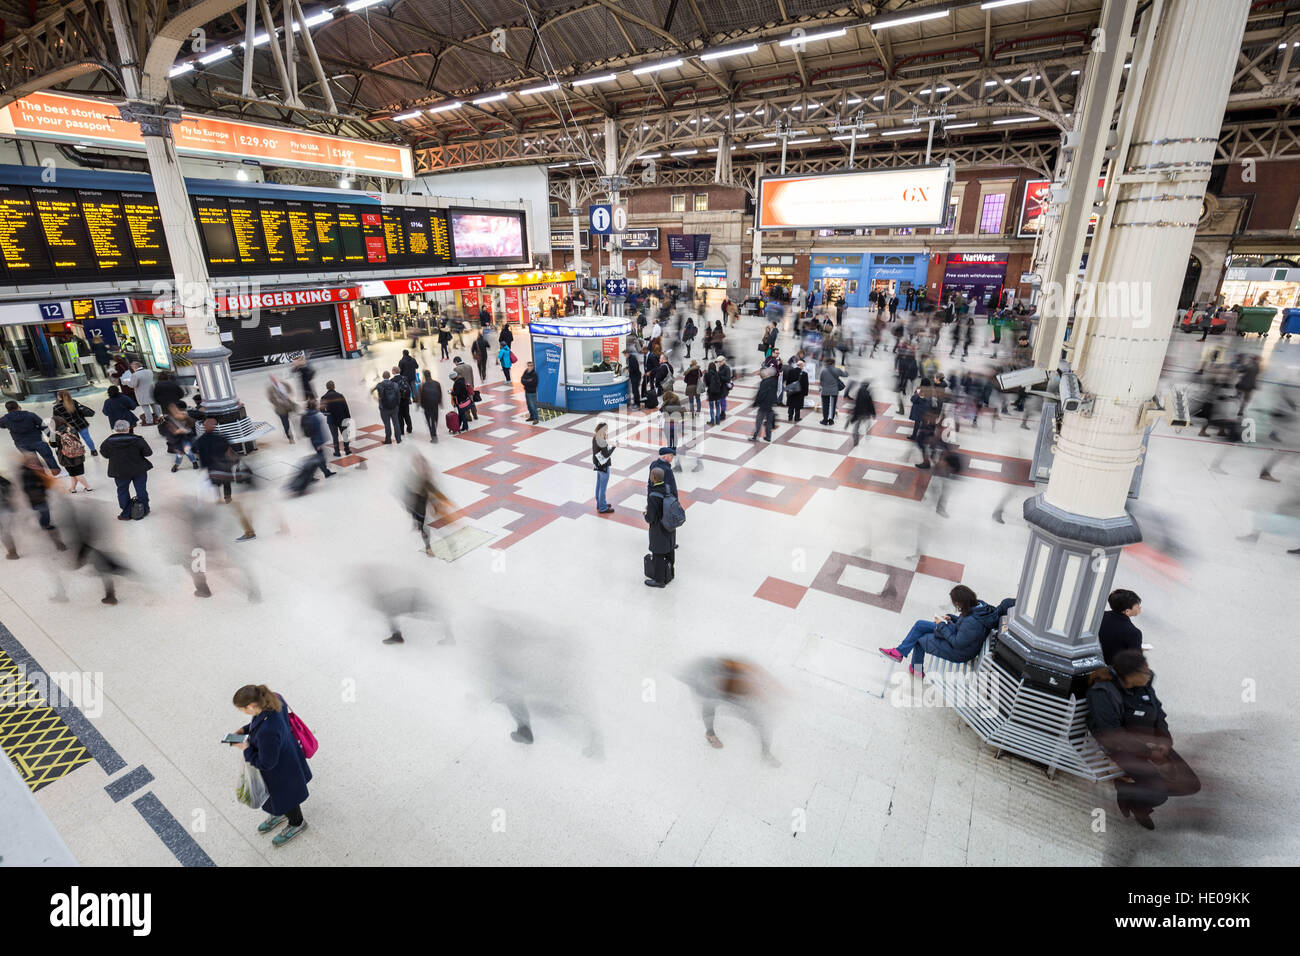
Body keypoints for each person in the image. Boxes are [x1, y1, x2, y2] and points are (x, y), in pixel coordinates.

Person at [1086, 650, 1200, 830]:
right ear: (1130, 675)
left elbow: (1159, 714)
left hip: (1152, 744)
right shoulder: (1102, 692)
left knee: (1190, 784)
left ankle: (1132, 796)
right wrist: (1148, 752)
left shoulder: (1145, 685)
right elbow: (1113, 734)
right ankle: (1138, 803)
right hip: (1120, 748)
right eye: (1144, 672)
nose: (1149, 674)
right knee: (1158, 793)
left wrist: (1164, 743)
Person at [231, 684, 312, 847]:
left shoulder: (268, 731)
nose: (243, 712)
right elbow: (260, 723)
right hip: (288, 755)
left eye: (243, 709)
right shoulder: (273, 699)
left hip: (280, 771)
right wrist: (245, 729)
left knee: (287, 798)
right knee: (280, 799)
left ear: (252, 705)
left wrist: (246, 748)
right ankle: (281, 813)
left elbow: (265, 763)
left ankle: (297, 824)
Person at [880, 585, 1014, 677]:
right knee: (920, 625)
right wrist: (953, 618)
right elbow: (967, 623)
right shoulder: (980, 606)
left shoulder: (972, 622)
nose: (956, 606)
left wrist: (942, 626)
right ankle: (902, 655)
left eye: (956, 603)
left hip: (960, 651)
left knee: (919, 639)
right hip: (961, 634)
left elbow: (957, 642)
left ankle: (913, 666)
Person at [678, 657, 781, 765]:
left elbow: (748, 670)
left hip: (725, 690)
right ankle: (710, 734)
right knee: (709, 708)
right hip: (715, 692)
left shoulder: (730, 669)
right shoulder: (706, 689)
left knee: (761, 721)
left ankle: (765, 753)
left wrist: (770, 688)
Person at [99, 420, 152, 521]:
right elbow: (148, 453)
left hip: (119, 472)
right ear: (128, 429)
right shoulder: (138, 440)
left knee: (122, 491)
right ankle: (145, 509)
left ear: (115, 429)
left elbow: (105, 455)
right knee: (141, 490)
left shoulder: (107, 442)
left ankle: (126, 514)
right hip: (138, 469)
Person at [2, 401, 60, 474]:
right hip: (37, 440)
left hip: (21, 443)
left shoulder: (5, 419)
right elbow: (44, 427)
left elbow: (2, 425)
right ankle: (56, 472)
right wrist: (52, 439)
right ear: (18, 406)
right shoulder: (30, 415)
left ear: (7, 409)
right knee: (48, 456)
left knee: (34, 461)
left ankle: (43, 476)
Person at [644, 466, 676, 587]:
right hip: (670, 525)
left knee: (658, 552)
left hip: (658, 528)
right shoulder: (668, 488)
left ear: (654, 478)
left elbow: (650, 518)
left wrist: (645, 514)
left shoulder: (653, 495)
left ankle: (659, 580)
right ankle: (670, 573)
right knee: (669, 548)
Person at [1099, 588, 1143, 665]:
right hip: (1112, 668)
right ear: (1127, 611)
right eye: (1138, 606)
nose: (1140, 608)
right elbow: (1136, 661)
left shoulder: (1100, 615)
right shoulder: (1134, 633)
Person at [52, 390, 98, 457]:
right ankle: (94, 451)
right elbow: (81, 411)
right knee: (87, 438)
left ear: (60, 397)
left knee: (75, 441)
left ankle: (79, 454)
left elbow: (57, 420)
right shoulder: (73, 402)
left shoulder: (56, 408)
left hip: (69, 428)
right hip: (81, 424)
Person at [300, 398, 335, 483]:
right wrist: (318, 443)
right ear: (315, 406)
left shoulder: (307, 414)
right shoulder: (315, 416)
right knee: (320, 458)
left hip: (314, 440)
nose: (319, 405)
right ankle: (318, 474)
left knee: (320, 458)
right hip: (317, 441)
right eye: (317, 404)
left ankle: (324, 472)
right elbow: (318, 431)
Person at [318, 381, 353, 457]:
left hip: (332, 420)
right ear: (334, 386)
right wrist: (348, 418)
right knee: (345, 436)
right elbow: (346, 407)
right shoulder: (340, 396)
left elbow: (322, 410)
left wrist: (328, 414)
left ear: (327, 387)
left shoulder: (324, 397)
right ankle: (347, 450)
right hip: (342, 419)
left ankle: (337, 452)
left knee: (335, 437)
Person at [160, 408, 199, 472]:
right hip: (176, 441)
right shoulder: (168, 422)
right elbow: (167, 434)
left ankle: (194, 462)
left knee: (188, 451)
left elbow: (192, 431)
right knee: (179, 455)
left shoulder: (187, 419)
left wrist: (185, 431)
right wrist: (176, 432)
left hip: (186, 439)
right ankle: (177, 465)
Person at [371, 371, 403, 444]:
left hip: (384, 408)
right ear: (389, 376)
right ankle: (398, 439)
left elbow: (372, 390)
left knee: (387, 425)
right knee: (396, 423)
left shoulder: (380, 385)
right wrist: (397, 404)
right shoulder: (395, 385)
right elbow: (398, 396)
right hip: (394, 408)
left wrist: (376, 398)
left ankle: (388, 440)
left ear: (383, 376)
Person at [592, 423, 616, 514]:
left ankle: (600, 503)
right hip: (603, 466)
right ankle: (603, 507)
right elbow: (606, 454)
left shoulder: (595, 437)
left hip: (597, 464)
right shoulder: (602, 440)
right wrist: (613, 447)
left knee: (599, 484)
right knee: (603, 487)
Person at [751, 366, 778, 442]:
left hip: (763, 405)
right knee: (769, 422)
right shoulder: (774, 381)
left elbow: (761, 394)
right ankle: (768, 437)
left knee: (758, 421)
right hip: (770, 405)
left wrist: (756, 403)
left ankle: (755, 436)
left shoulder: (764, 382)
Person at [267, 376, 298, 443]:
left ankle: (298, 435)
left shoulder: (284, 384)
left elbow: (290, 390)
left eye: (275, 378)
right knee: (285, 424)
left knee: (295, 420)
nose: (275, 380)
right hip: (280, 409)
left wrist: (288, 395)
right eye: (273, 380)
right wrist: (278, 401)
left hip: (290, 406)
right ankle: (290, 437)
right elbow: (270, 399)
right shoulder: (270, 389)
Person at [847, 379, 877, 446]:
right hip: (866, 413)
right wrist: (873, 413)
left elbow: (856, 403)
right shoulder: (868, 393)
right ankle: (867, 433)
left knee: (856, 427)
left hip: (859, 413)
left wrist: (852, 411)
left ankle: (856, 437)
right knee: (867, 424)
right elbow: (871, 404)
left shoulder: (859, 392)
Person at [418, 371, 444, 441]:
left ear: (424, 376)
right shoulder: (437, 383)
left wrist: (420, 405)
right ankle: (434, 431)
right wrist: (440, 403)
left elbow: (420, 396)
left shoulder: (422, 385)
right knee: (434, 418)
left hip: (426, 405)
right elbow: (440, 394)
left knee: (429, 420)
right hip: (435, 404)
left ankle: (433, 435)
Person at [450, 368, 472, 433]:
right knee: (462, 414)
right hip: (465, 399)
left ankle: (464, 427)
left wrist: (451, 392)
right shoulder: (462, 380)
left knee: (461, 414)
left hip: (460, 401)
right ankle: (463, 426)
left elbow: (456, 393)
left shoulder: (457, 383)